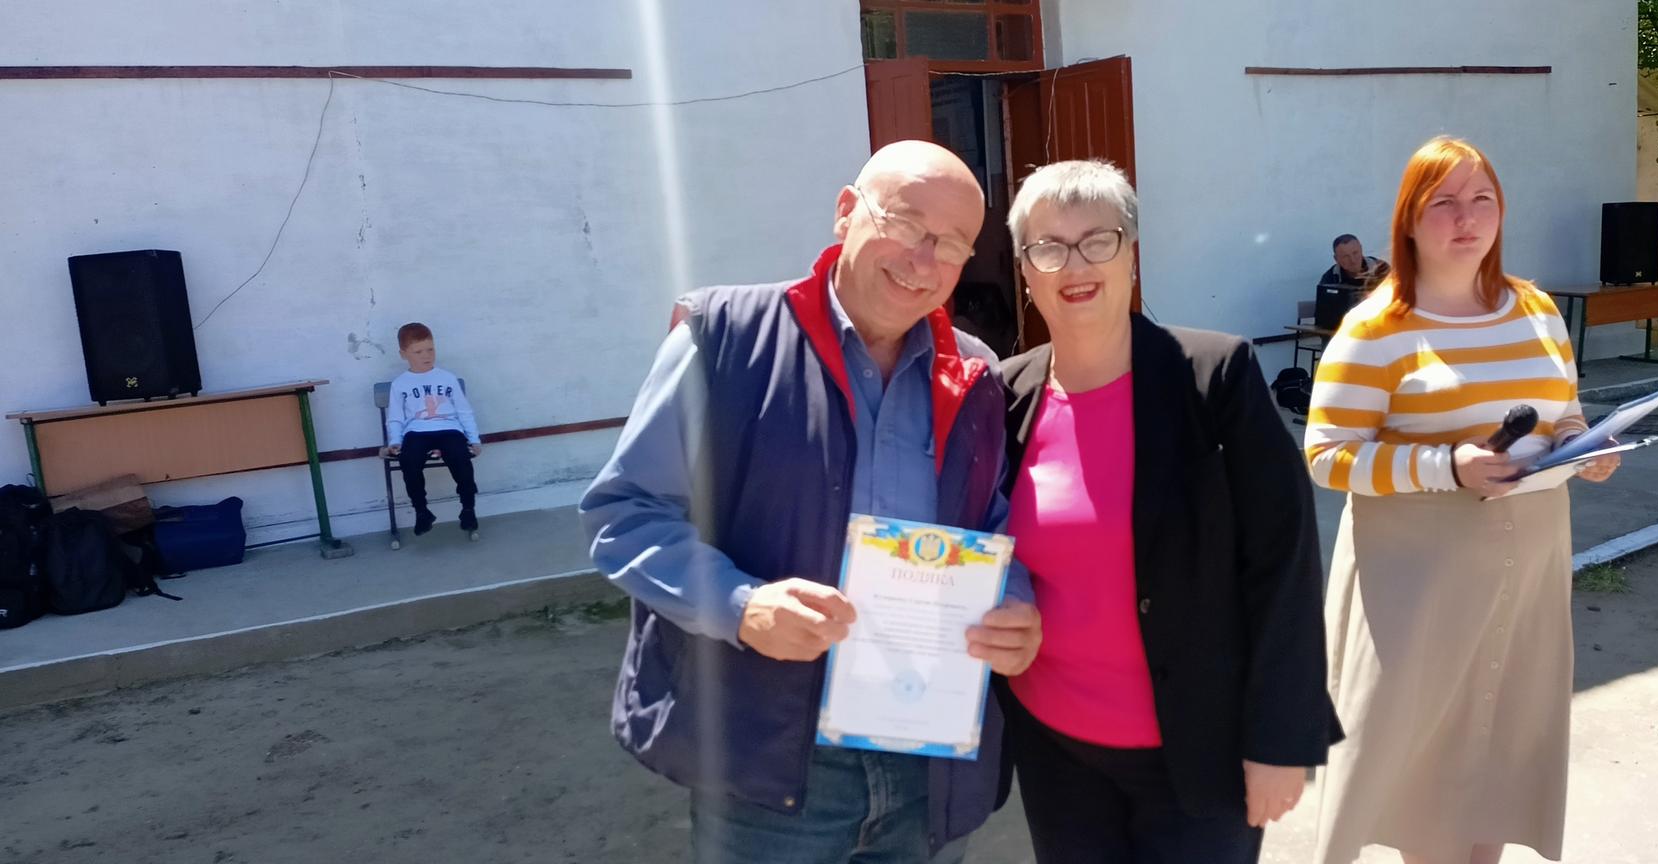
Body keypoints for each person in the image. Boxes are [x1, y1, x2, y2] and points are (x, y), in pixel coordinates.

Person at [579, 140, 1043, 864]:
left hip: (929, 755)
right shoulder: (724, 337)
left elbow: (991, 522)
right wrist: (741, 606)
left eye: (953, 245)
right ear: (846, 211)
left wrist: (1012, 602)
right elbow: (626, 513)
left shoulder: (975, 371)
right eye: (906, 223)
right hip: (773, 761)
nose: (924, 261)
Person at [997, 159, 1342, 864]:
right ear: (1025, 271)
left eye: (1098, 240)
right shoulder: (1006, 395)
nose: (1074, 264)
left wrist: (1280, 740)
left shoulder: (1216, 375)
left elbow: (1284, 562)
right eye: (1048, 247)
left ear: (1131, 253)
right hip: (1055, 748)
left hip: (1198, 750)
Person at [1304, 137, 1620, 864]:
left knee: (1500, 755)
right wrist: (1446, 466)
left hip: (1528, 577)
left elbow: (1565, 412)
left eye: (1482, 199)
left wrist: (1585, 446)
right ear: (1409, 220)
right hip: (1417, 590)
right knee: (1424, 776)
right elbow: (1326, 456)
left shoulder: (1536, 308)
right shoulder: (1377, 328)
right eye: (1444, 202)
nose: (1466, 217)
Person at [383, 322, 482, 537]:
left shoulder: (447, 378)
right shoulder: (400, 384)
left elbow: (464, 411)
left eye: (430, 349)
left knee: (460, 456)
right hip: (417, 431)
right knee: (408, 459)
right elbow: (396, 418)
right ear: (403, 354)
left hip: (449, 429)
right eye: (418, 352)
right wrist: (395, 441)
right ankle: (422, 512)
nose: (426, 356)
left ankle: (468, 509)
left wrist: (474, 439)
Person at [1320, 234, 1390, 288]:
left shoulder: (1381, 268)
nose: (1353, 260)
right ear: (1336, 259)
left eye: (1355, 253)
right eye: (1345, 256)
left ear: (1361, 250)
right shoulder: (1330, 277)